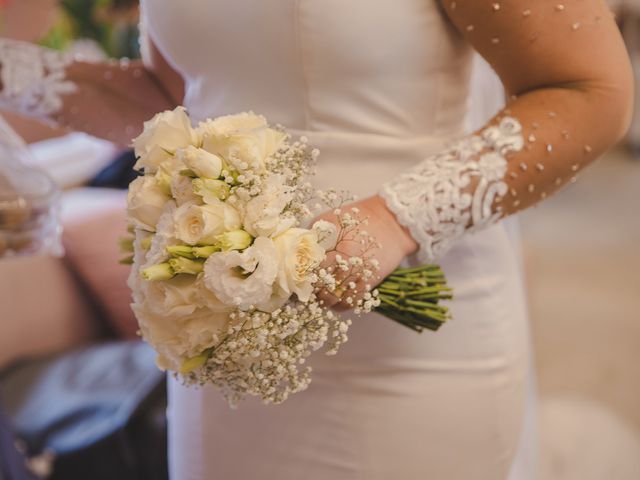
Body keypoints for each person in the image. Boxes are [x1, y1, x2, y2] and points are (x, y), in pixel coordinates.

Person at [0, 0, 632, 479]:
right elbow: (176, 96)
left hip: (410, 349)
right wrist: (12, 69)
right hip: (227, 347)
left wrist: (396, 219)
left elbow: (587, 90)